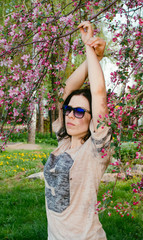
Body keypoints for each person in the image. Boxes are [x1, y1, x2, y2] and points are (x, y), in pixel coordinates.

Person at [44, 21, 112, 240]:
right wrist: (94, 57)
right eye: (69, 110)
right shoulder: (63, 141)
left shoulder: (95, 151)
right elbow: (69, 89)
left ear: (93, 120)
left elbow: (99, 93)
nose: (71, 115)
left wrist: (88, 48)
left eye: (80, 111)